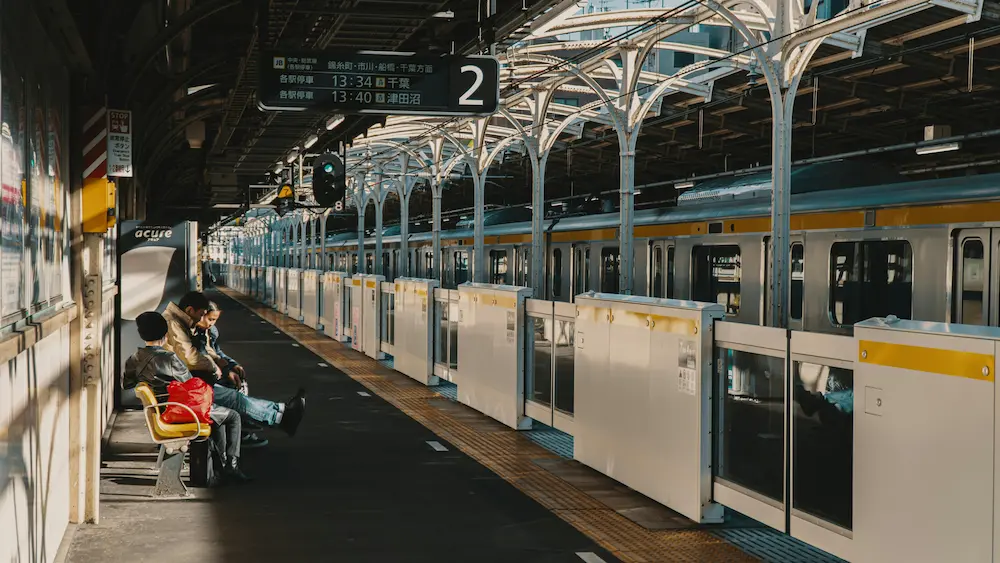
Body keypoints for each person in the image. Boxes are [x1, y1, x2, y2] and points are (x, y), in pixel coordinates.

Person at [124, 312, 251, 484]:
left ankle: (222, 466)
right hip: (179, 410)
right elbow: (189, 384)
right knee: (233, 416)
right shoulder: (169, 358)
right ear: (165, 335)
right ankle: (231, 466)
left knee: (219, 418)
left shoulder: (134, 359)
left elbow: (127, 383)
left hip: (158, 409)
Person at [162, 291, 306, 436]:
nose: (201, 318)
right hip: (180, 390)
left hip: (182, 383)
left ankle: (281, 412)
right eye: (201, 315)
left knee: (235, 396)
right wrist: (214, 367)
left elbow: (205, 350)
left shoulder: (180, 321)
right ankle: (280, 417)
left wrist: (221, 363)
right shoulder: (173, 323)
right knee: (233, 398)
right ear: (189, 310)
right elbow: (191, 357)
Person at [194, 301, 268, 448]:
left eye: (215, 320)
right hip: (204, 378)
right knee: (232, 388)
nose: (211, 323)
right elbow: (203, 357)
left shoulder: (211, 331)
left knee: (239, 381)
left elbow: (217, 353)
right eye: (210, 319)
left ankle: (243, 423)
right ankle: (242, 428)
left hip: (211, 372)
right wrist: (226, 371)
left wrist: (233, 364)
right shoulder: (194, 334)